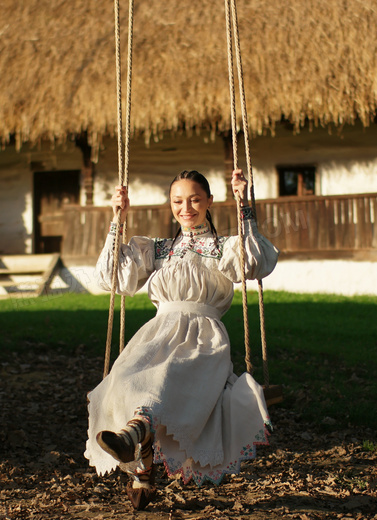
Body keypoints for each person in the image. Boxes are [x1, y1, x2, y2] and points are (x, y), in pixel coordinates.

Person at [84, 169, 279, 510]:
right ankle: (140, 457)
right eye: (178, 201)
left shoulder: (224, 248)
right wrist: (118, 219)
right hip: (157, 333)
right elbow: (111, 277)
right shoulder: (158, 249)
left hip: (203, 338)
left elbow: (256, 262)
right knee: (125, 379)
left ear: (209, 202)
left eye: (194, 199)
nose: (185, 207)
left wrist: (244, 205)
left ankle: (135, 443)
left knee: (168, 375)